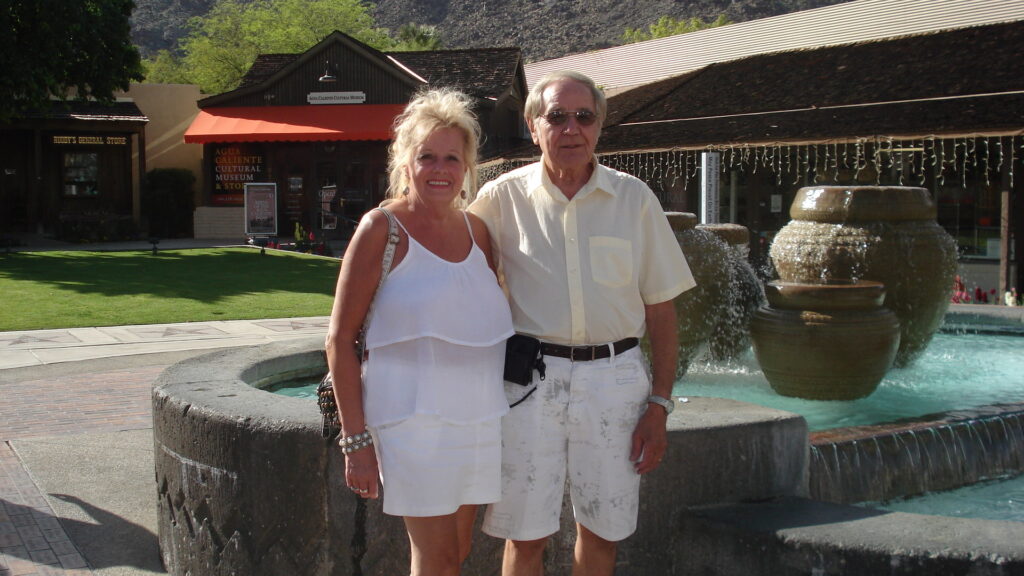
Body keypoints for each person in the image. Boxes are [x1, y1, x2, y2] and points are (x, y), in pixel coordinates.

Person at [469, 70, 696, 576]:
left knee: (603, 532)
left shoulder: (634, 199)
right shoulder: (500, 199)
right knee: (525, 534)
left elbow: (661, 311)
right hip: (530, 383)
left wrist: (659, 405)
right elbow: (457, 272)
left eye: (584, 116)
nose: (571, 128)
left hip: (616, 382)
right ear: (533, 127)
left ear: (599, 126)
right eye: (556, 116)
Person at [325, 88, 514, 576]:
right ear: (405, 162)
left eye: (452, 158)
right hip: (411, 418)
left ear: (467, 167)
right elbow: (339, 340)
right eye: (427, 156)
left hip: (478, 416)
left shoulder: (478, 232)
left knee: (459, 549)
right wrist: (355, 441)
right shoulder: (381, 229)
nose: (440, 169)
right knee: (438, 558)